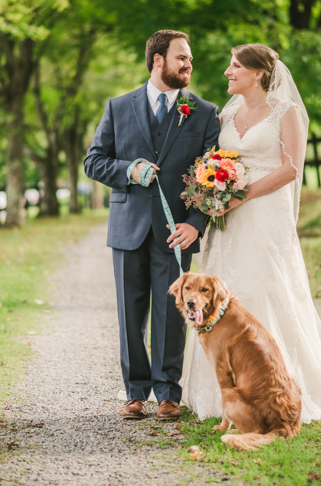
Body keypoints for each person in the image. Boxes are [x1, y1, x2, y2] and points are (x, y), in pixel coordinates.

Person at [180, 44, 321, 421]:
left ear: (258, 73)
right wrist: (212, 189)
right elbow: (216, 161)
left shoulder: (285, 112)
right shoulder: (227, 113)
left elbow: (291, 168)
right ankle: (221, 389)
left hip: (264, 213)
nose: (228, 72)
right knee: (225, 290)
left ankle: (278, 383)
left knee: (266, 288)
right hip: (228, 216)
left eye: (235, 66)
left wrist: (239, 196)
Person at [84, 30, 221, 420]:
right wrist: (129, 170)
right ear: (158, 60)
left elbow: (214, 176)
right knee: (130, 314)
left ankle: (168, 394)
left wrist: (196, 223)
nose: (189, 65)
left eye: (190, 59)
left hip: (177, 232)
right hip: (128, 228)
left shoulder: (205, 112)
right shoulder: (117, 107)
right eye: (182, 58)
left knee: (173, 314)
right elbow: (93, 160)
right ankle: (134, 393)